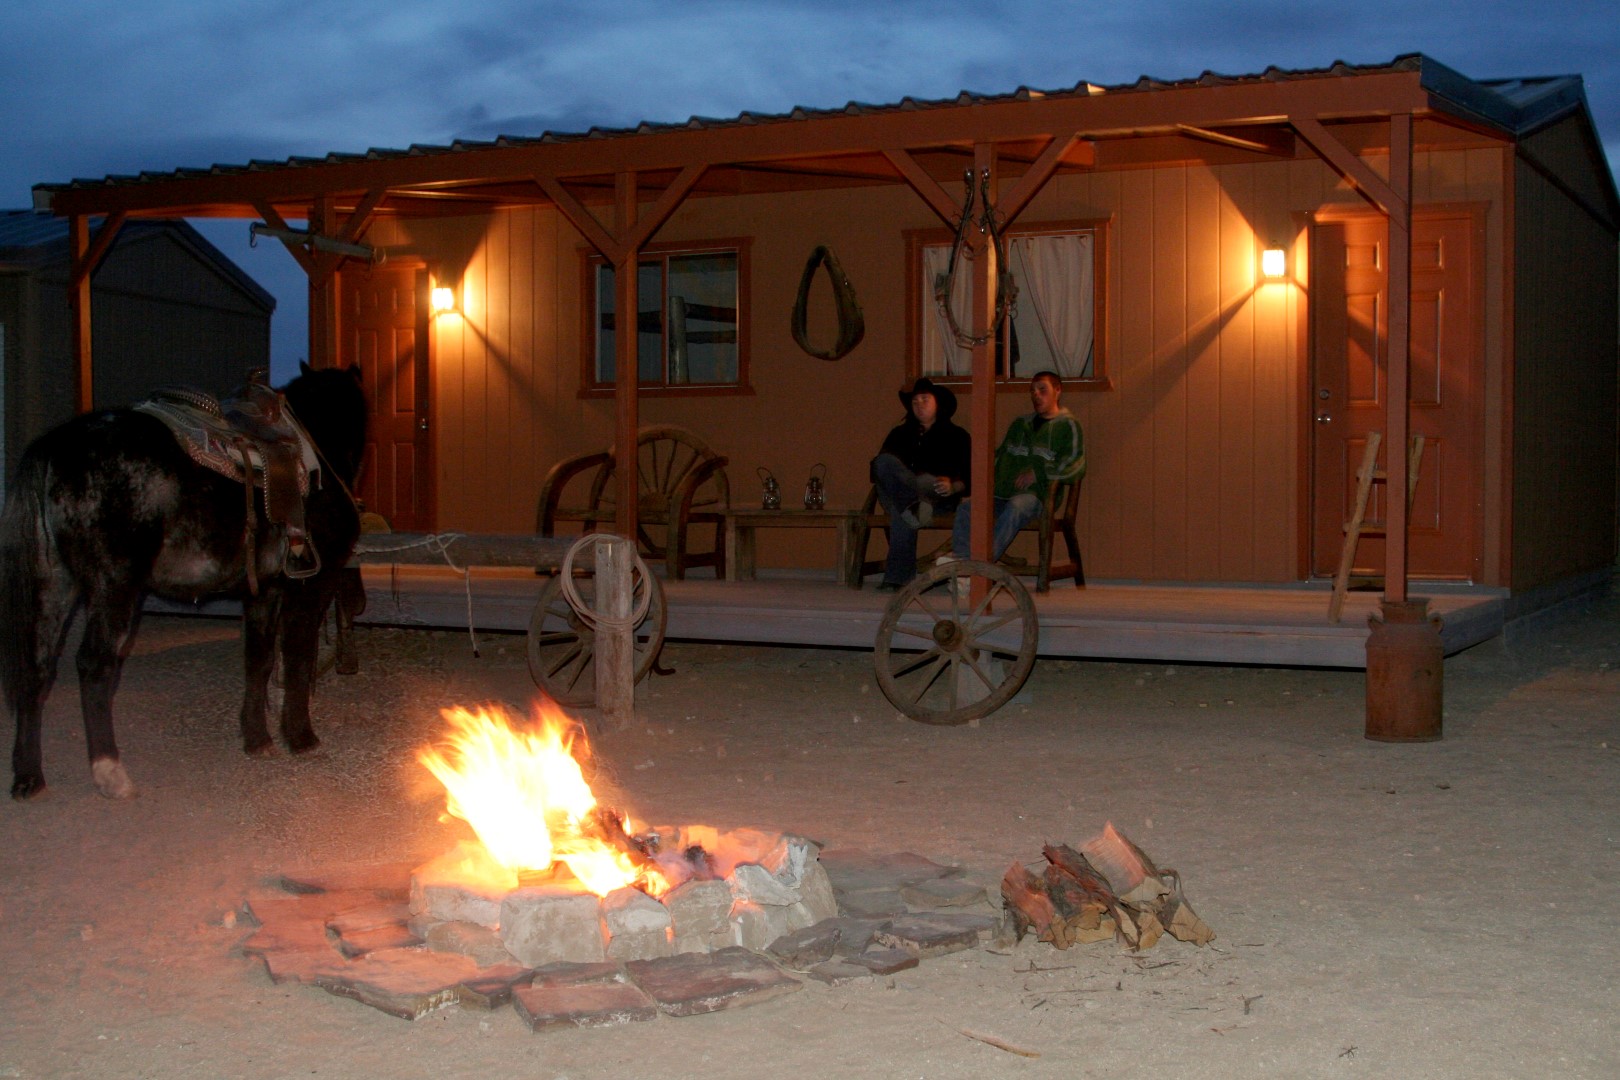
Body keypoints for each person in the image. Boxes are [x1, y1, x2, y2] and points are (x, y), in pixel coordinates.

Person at [948, 369, 1084, 565]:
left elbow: (1074, 463)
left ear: (1058, 391)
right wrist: (980, 488)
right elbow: (1000, 457)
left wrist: (1039, 473)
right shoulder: (1020, 424)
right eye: (1032, 391)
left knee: (1017, 505)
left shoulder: (1068, 425)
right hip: (1002, 493)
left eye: (1042, 390)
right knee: (967, 508)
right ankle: (962, 564)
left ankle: (980, 565)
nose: (1036, 395)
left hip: (1038, 496)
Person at [869, 377, 970, 591]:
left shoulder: (957, 435)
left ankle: (899, 579)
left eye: (925, 400)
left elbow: (969, 477)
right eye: (915, 401)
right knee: (883, 462)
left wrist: (953, 486)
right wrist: (907, 484)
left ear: (937, 403)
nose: (919, 405)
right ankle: (912, 505)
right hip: (899, 496)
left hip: (936, 498)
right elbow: (880, 473)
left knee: (918, 490)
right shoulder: (899, 434)